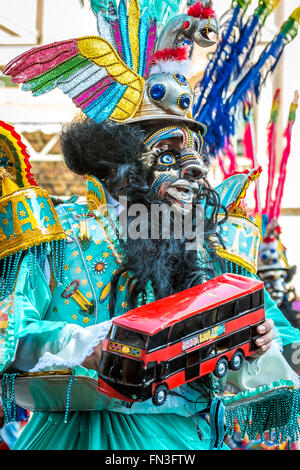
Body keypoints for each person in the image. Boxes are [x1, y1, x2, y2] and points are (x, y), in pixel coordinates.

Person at [0, 0, 299, 450]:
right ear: (120, 163)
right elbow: (9, 332)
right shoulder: (59, 238)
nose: (195, 170)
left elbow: (289, 348)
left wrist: (264, 341)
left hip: (185, 442)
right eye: (169, 155)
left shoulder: (214, 252)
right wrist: (85, 345)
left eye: (195, 154)